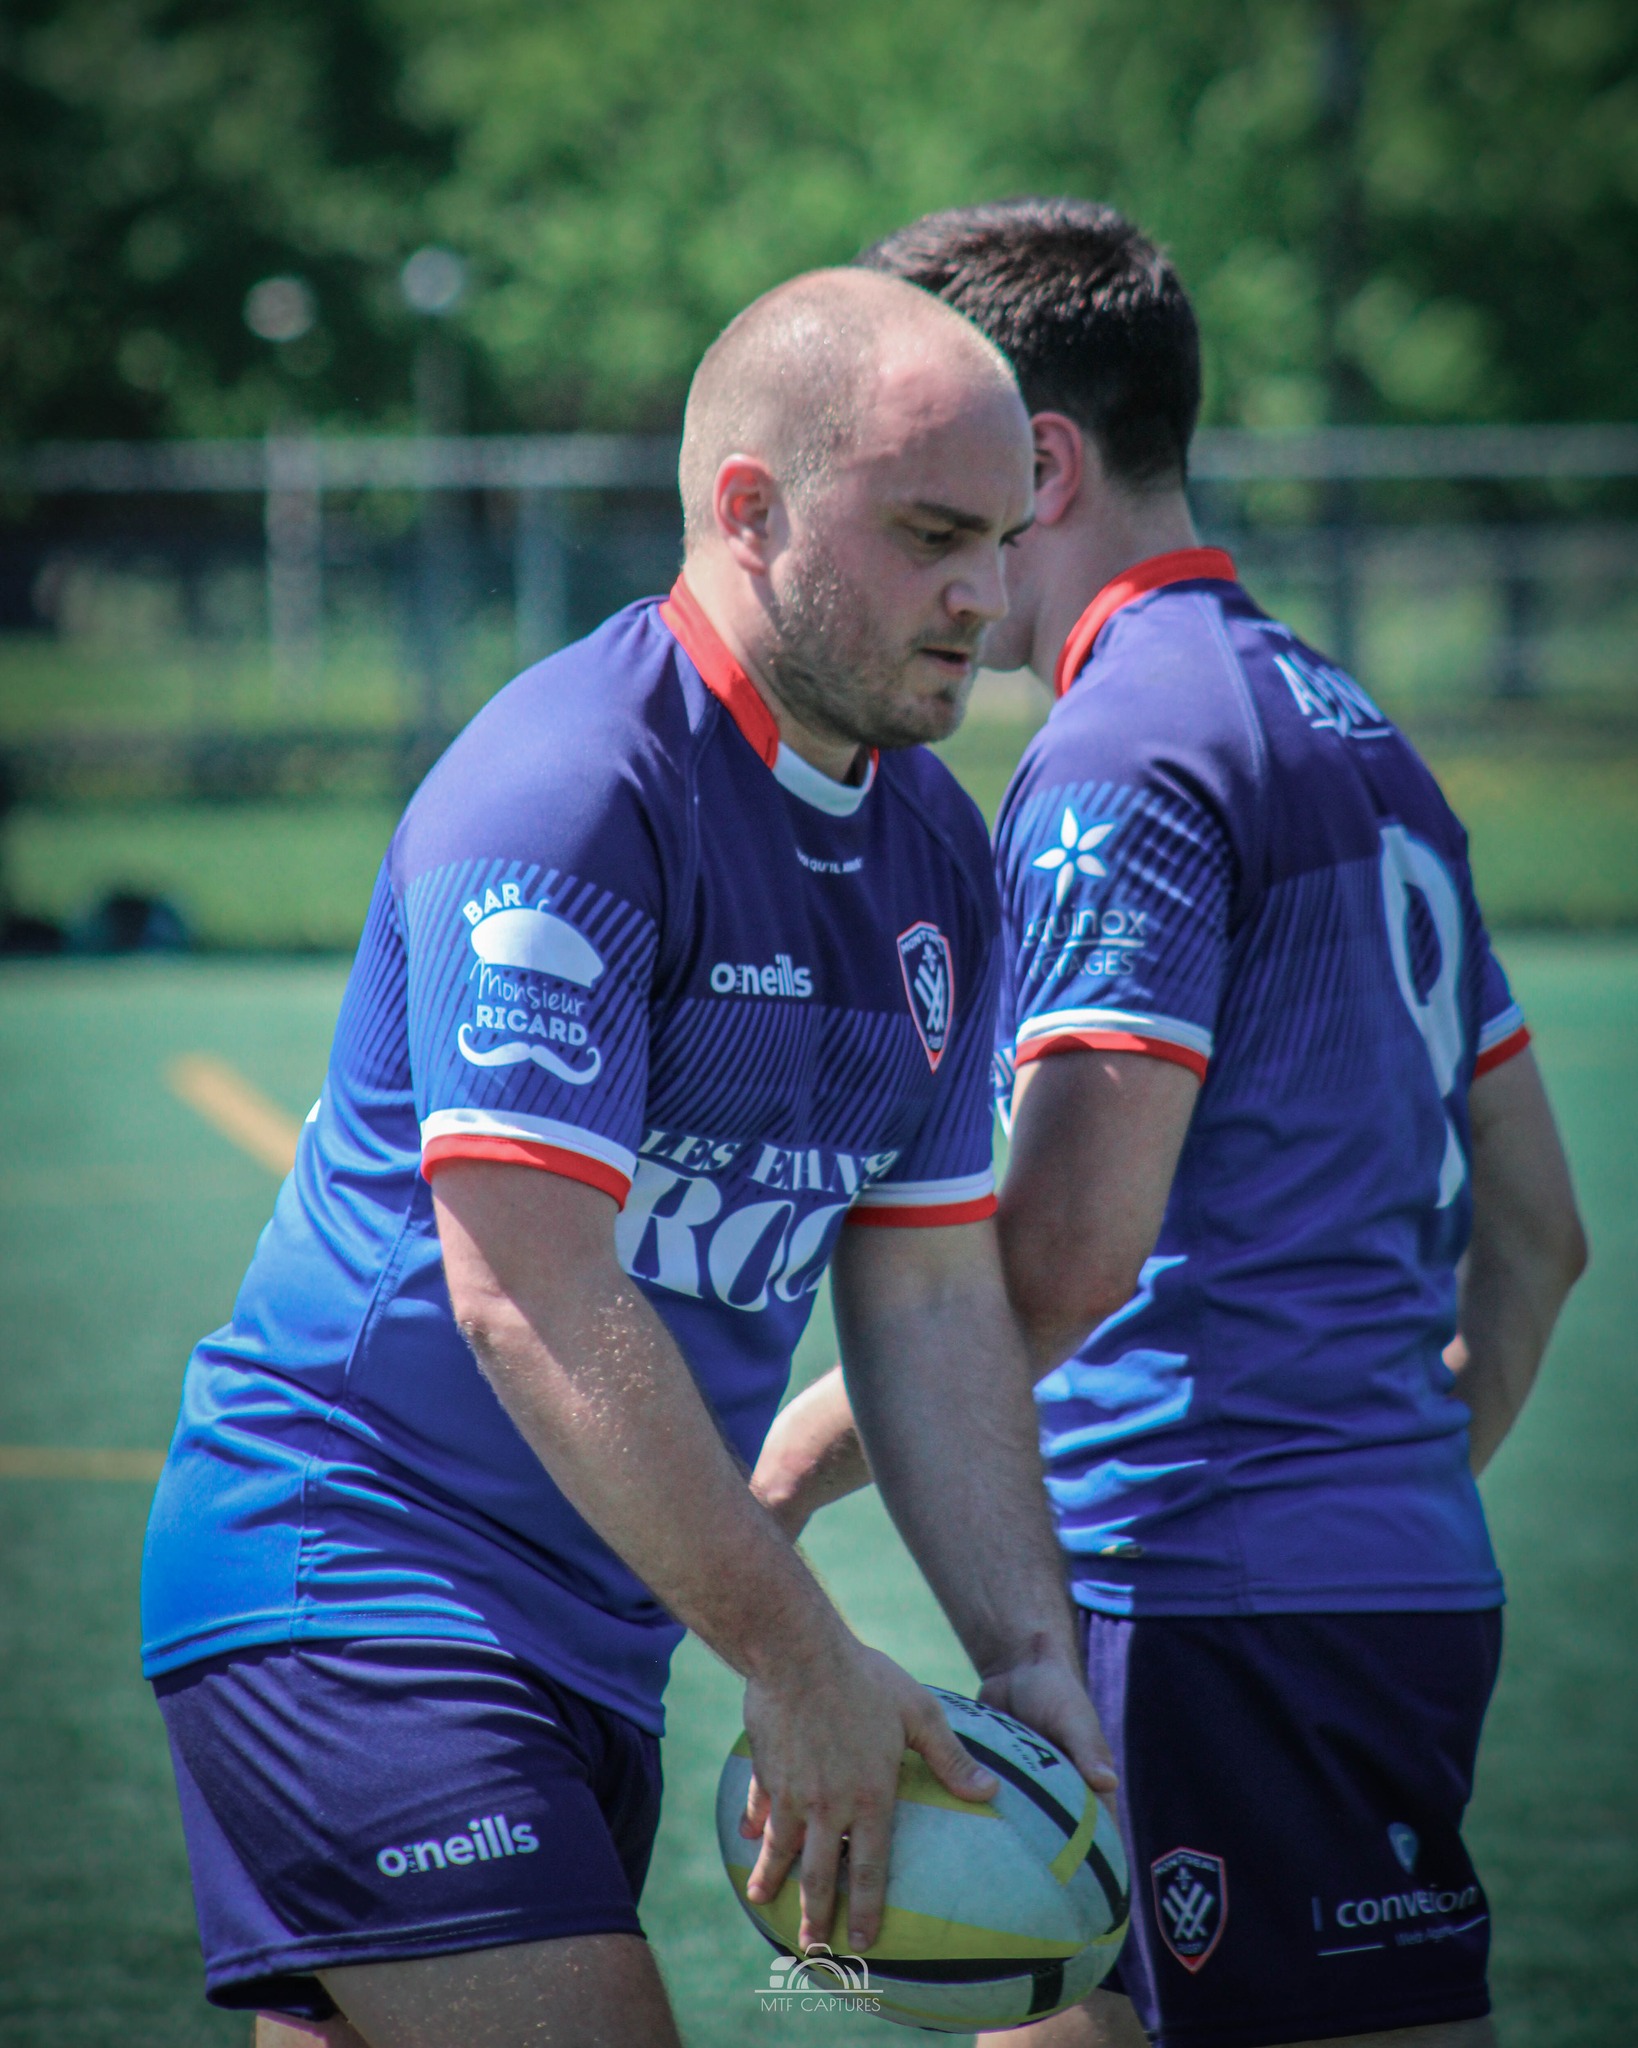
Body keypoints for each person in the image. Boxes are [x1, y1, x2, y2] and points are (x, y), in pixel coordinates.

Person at [139, 265, 1114, 2048]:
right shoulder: (573, 786)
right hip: (353, 1580)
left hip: (598, 1632)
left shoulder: (933, 847)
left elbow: (922, 1286)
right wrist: (803, 1654)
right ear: (749, 512)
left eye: (1002, 535)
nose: (986, 594)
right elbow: (521, 1288)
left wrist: (1031, 1655)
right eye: (927, 535)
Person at [753, 201, 1588, 2048]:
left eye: (931, 482)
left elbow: (1055, 1259)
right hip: (1357, 1582)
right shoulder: (1351, 723)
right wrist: (1379, 1500)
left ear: (1036, 461)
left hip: (1202, 1592)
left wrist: (770, 1489)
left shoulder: (1132, 743)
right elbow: (1539, 1235)